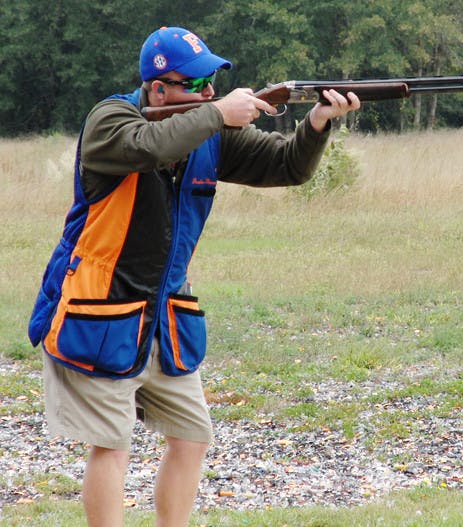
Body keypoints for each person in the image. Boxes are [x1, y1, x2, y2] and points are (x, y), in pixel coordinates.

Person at [27, 26, 360, 527]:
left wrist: (316, 123)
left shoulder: (208, 131)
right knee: (112, 447)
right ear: (158, 90)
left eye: (213, 85)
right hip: (99, 308)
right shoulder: (111, 120)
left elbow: (286, 166)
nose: (209, 93)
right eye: (197, 85)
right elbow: (151, 147)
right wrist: (218, 114)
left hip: (165, 313)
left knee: (192, 435)